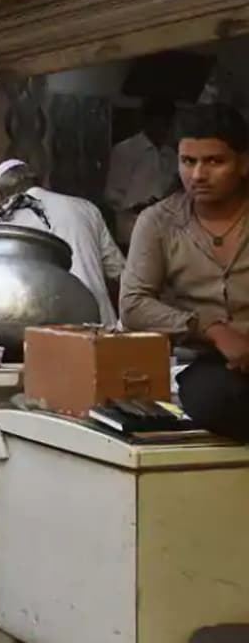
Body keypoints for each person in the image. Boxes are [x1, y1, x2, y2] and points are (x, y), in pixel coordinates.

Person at [120, 103, 249, 442]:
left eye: (214, 162)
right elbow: (133, 305)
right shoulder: (159, 222)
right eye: (188, 162)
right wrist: (212, 329)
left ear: (244, 163)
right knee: (213, 399)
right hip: (208, 362)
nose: (197, 175)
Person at [0, 159, 125, 327]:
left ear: (3, 196)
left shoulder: (8, 225)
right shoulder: (85, 207)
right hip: (104, 324)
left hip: (54, 328)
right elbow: (120, 271)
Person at [105, 98, 178, 248]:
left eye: (167, 125)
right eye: (158, 123)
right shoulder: (125, 151)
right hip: (132, 232)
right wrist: (135, 206)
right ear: (147, 122)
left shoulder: (172, 155)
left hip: (164, 233)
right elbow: (111, 193)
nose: (162, 130)